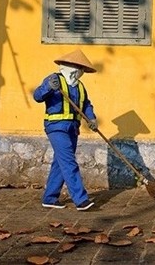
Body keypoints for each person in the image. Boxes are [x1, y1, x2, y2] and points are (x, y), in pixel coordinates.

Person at [33, 49, 99, 211]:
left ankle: (49, 198)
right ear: (72, 67)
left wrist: (91, 119)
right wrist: (48, 87)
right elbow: (37, 96)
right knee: (68, 162)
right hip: (56, 127)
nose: (81, 72)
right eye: (80, 68)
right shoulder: (54, 80)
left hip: (72, 128)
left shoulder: (80, 87)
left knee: (60, 163)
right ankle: (81, 199)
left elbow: (86, 104)